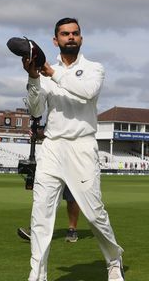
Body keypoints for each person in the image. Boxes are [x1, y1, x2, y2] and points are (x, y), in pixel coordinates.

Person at [23, 17, 124, 281]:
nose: (71, 37)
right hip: (53, 147)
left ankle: (114, 260)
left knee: (94, 212)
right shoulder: (44, 73)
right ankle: (38, 275)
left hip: (82, 146)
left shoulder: (94, 68)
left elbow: (87, 92)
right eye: (65, 34)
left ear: (81, 39)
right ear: (55, 40)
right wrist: (34, 78)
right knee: (41, 213)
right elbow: (35, 110)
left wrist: (52, 73)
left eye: (75, 33)